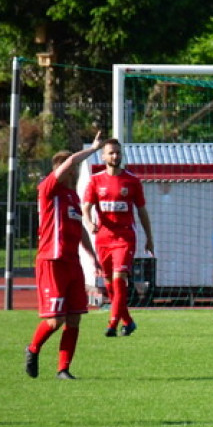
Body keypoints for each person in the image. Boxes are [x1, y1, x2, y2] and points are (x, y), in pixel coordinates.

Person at [25, 131, 103, 380]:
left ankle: (63, 369)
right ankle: (33, 348)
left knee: (75, 317)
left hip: (72, 263)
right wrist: (94, 149)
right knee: (55, 320)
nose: (73, 170)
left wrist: (91, 255)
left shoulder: (72, 197)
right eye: (69, 167)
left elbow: (79, 229)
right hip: (51, 261)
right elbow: (69, 162)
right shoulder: (48, 190)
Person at [82, 138, 155, 338]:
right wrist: (89, 223)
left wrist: (149, 237)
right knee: (108, 284)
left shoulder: (131, 180)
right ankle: (128, 321)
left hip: (124, 238)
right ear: (103, 156)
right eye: (111, 153)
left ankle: (112, 323)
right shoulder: (96, 180)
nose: (115, 156)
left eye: (118, 152)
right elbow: (86, 207)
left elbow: (142, 211)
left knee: (119, 280)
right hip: (103, 238)